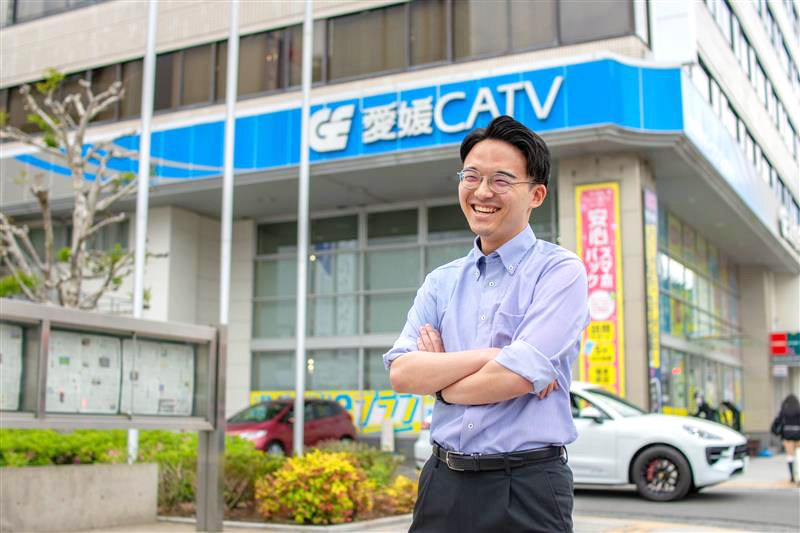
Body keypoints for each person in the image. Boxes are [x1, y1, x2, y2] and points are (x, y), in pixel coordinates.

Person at [383, 115, 589, 533]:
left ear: (536, 194)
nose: (481, 192)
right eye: (471, 176)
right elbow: (402, 373)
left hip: (526, 488)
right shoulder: (440, 281)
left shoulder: (560, 272)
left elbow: (515, 376)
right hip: (441, 482)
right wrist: (495, 355)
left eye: (501, 180)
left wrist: (440, 383)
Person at [770, 393, 800, 483]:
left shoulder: (784, 411)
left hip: (787, 436)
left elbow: (776, 423)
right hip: (799, 436)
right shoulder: (799, 409)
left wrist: (778, 433)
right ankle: (799, 475)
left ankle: (792, 476)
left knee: (790, 456)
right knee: (799, 454)